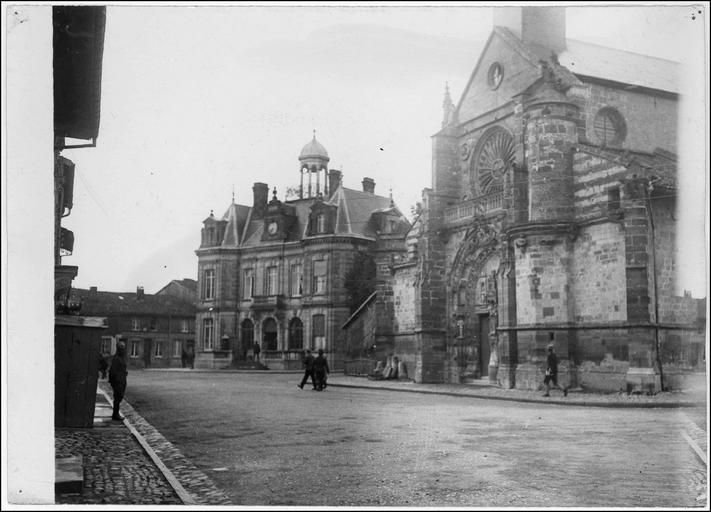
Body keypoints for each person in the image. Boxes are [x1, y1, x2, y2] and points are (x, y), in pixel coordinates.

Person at [109, 341, 128, 420]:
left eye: (123, 348)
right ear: (118, 349)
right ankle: (115, 414)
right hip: (118, 381)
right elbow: (112, 371)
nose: (122, 350)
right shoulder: (116, 358)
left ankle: (116, 413)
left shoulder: (122, 358)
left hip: (122, 380)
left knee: (120, 397)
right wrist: (113, 381)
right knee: (117, 397)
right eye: (121, 348)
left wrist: (124, 373)